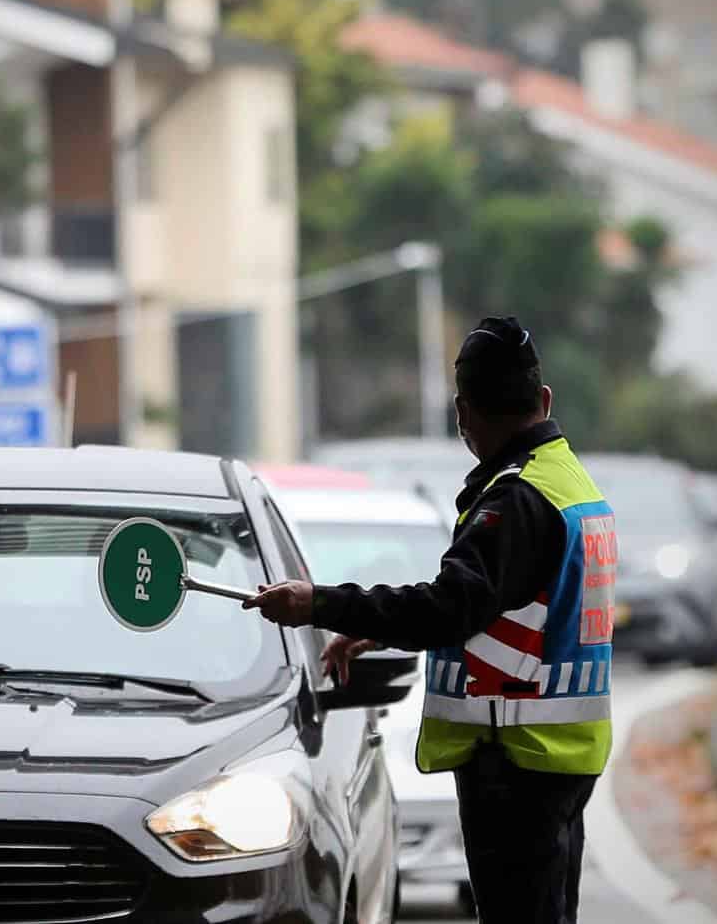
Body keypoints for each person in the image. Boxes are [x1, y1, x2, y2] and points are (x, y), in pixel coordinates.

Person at [245, 316, 617, 924]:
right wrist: (378, 628)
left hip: (516, 760)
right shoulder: (566, 480)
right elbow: (503, 605)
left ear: (463, 412)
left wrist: (318, 603)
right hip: (562, 758)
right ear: (544, 399)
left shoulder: (516, 500)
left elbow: (450, 608)